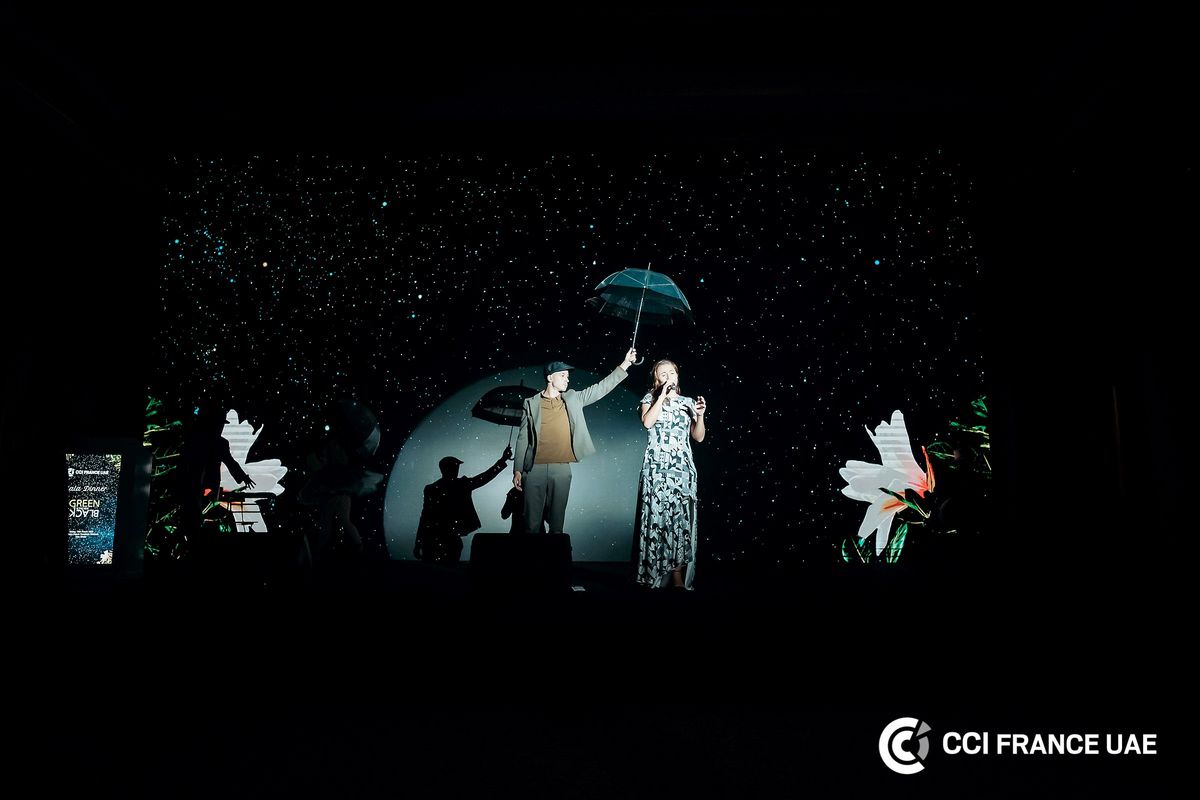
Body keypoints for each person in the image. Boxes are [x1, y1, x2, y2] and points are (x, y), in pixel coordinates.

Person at [513, 349, 637, 534]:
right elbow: (523, 437)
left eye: (568, 376)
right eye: (563, 375)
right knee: (531, 525)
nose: (567, 379)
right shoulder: (530, 403)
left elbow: (601, 388)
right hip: (534, 469)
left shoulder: (573, 398)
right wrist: (517, 469)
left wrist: (625, 364)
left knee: (556, 524)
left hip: (561, 468)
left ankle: (556, 553)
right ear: (550, 378)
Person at [634, 359, 707, 589]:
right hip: (656, 469)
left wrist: (700, 415)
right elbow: (647, 423)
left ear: (677, 376)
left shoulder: (688, 402)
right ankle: (653, 572)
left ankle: (676, 575)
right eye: (662, 373)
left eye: (671, 372)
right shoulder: (649, 399)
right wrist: (661, 396)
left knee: (679, 522)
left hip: (682, 470)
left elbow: (698, 437)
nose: (668, 376)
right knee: (657, 520)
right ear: (657, 379)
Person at [415, 447, 512, 562]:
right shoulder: (462, 485)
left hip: (433, 538)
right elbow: (485, 477)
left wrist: (418, 542)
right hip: (450, 538)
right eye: (455, 466)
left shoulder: (432, 489)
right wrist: (503, 460)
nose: (457, 469)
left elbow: (425, 517)